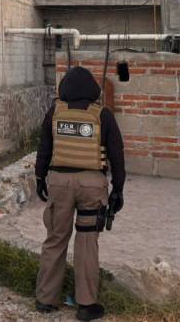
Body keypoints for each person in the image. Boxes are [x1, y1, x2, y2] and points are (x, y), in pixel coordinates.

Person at [34, 66, 125, 321]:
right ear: (93, 90)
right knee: (86, 242)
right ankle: (86, 305)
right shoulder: (103, 115)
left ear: (64, 89)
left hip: (59, 184)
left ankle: (46, 299)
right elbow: (116, 154)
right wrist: (118, 189)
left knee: (56, 238)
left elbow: (44, 148)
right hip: (91, 186)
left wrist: (40, 178)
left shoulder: (55, 112)